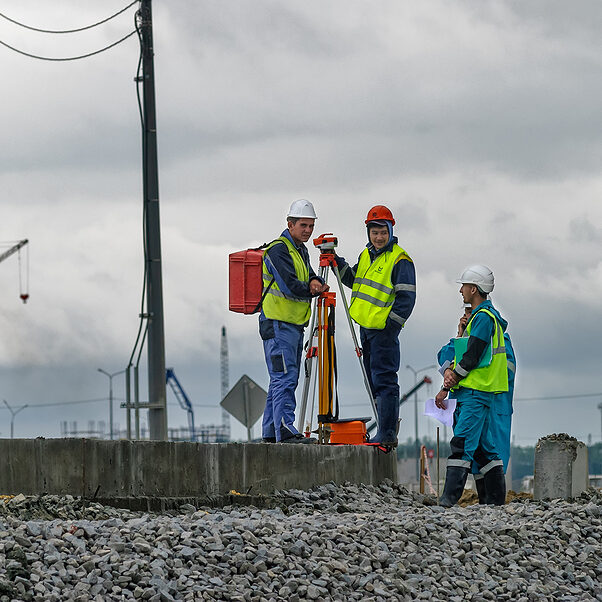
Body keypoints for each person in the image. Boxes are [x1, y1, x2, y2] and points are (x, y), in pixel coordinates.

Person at [335, 205, 416, 446]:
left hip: (383, 331)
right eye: (374, 232)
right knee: (373, 381)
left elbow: (406, 299)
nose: (379, 237)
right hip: (366, 328)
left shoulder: (400, 259)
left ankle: (387, 433)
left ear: (391, 230)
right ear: (368, 233)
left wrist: (391, 327)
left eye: (383, 232)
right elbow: (354, 280)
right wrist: (336, 263)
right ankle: (383, 430)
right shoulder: (366, 255)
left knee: (384, 381)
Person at [436, 265, 509, 506]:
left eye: (464, 286)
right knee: (484, 450)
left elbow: (472, 356)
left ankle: (447, 501)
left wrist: (450, 380)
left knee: (462, 444)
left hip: (475, 393)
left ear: (474, 289)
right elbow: (458, 352)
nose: (461, 291)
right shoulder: (482, 319)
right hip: (478, 392)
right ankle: (494, 502)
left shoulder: (483, 319)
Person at [259, 199, 329, 443]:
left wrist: (314, 281)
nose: (308, 230)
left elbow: (307, 274)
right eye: (303, 225)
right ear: (290, 224)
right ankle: (285, 430)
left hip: (291, 325)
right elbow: (289, 285)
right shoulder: (278, 249)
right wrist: (313, 289)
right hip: (278, 325)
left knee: (281, 378)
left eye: (311, 226)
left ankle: (271, 432)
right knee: (285, 378)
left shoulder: (300, 250)